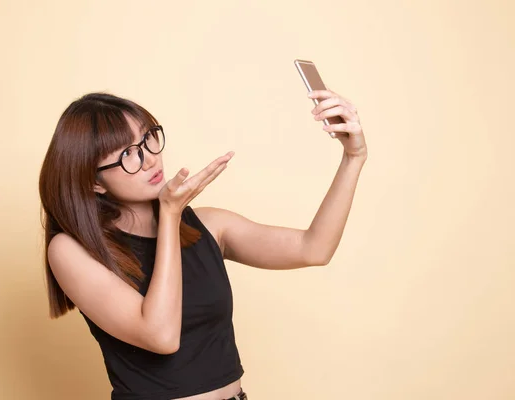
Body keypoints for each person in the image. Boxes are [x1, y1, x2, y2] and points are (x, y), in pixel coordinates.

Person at [38, 90, 367, 400]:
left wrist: (353, 157)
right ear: (94, 181)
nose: (151, 159)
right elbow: (161, 336)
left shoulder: (208, 225)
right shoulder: (71, 250)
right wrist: (169, 213)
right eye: (128, 154)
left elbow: (314, 249)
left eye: (148, 138)